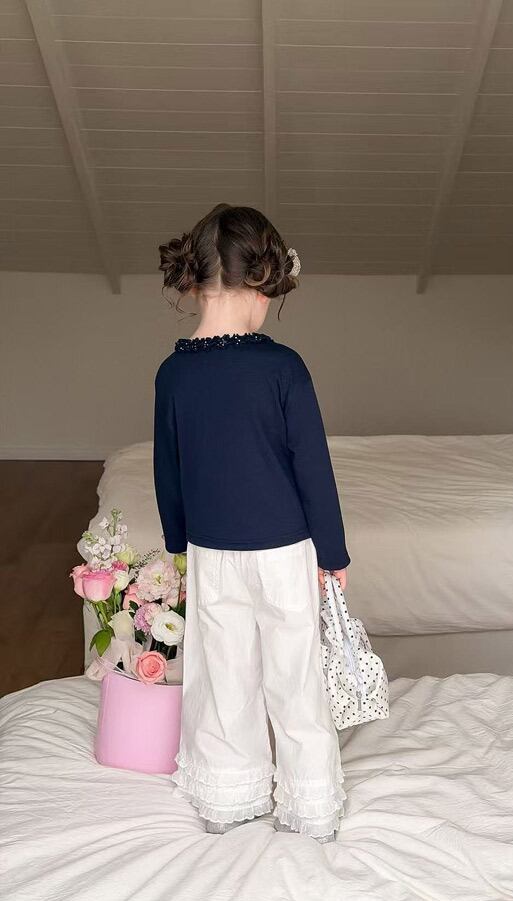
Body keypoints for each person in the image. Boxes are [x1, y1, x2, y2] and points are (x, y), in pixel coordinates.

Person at [153, 204, 349, 843]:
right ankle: (312, 809)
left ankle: (227, 798)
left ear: (197, 282)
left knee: (222, 675)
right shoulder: (283, 367)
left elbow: (168, 470)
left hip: (210, 551)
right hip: (285, 551)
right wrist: (334, 553)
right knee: (295, 676)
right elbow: (312, 466)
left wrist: (179, 548)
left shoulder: (173, 374)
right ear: (261, 283)